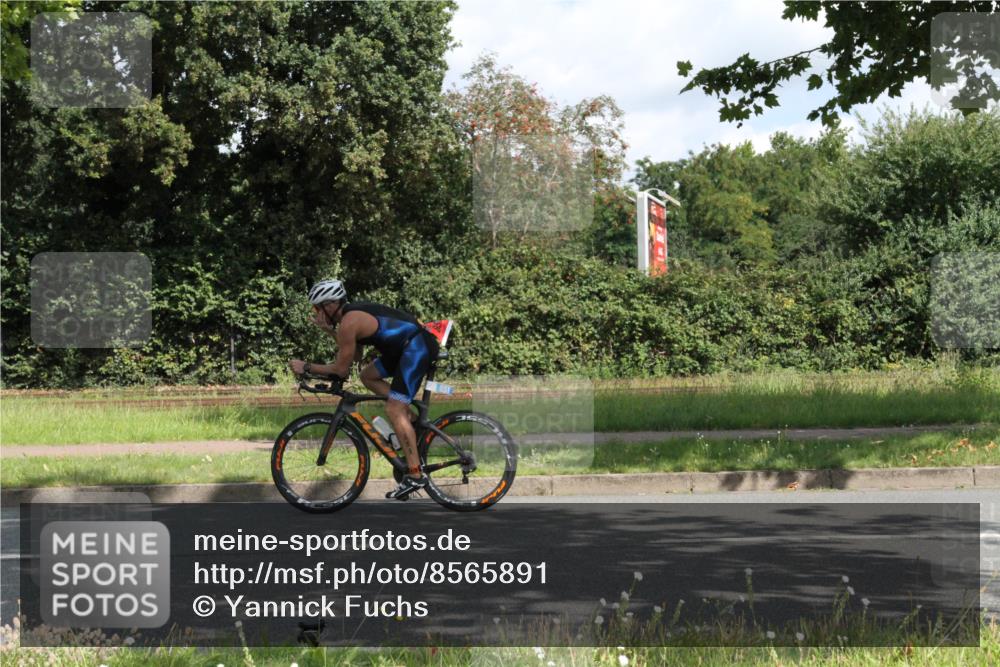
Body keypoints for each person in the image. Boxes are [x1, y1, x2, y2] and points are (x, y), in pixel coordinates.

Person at [288, 279, 439, 499]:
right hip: (405, 348)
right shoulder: (349, 319)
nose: (317, 313)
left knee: (394, 409)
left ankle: (415, 475)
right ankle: (413, 423)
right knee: (367, 375)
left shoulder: (349, 322)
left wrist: (307, 367)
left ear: (330, 305)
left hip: (416, 347)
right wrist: (329, 331)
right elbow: (356, 356)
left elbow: (341, 370)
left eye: (317, 309)